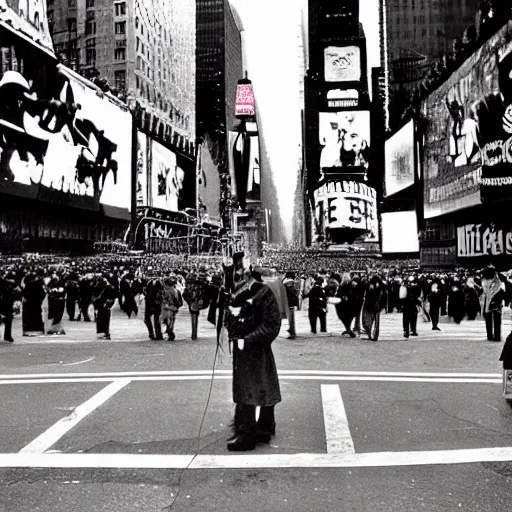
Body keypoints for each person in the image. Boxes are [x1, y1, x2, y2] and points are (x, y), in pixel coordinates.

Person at [225, 265, 282, 452]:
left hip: (255, 348)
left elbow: (271, 325)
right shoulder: (239, 293)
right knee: (258, 386)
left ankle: (247, 434)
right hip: (246, 348)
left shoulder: (262, 292)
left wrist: (247, 339)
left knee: (250, 388)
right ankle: (262, 426)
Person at [481, 265, 505, 342]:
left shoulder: (484, 281)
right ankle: (497, 336)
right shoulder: (498, 281)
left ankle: (489, 335)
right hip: (497, 302)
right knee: (497, 320)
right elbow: (502, 291)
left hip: (487, 302)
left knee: (488, 320)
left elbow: (483, 291)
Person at [92, 273, 117, 340]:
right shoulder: (108, 285)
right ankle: (105, 332)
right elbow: (113, 294)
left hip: (101, 304)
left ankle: (101, 333)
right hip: (105, 304)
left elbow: (95, 294)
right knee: (105, 319)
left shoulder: (99, 284)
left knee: (101, 318)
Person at [361, 274, 384, 341]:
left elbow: (366, 294)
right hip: (376, 305)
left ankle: (370, 333)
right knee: (376, 322)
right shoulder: (380, 286)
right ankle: (375, 335)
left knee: (368, 320)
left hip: (369, 305)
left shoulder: (369, 285)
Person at [160, 274, 183, 341]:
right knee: (171, 322)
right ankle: (170, 334)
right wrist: (176, 307)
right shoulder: (177, 291)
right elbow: (180, 303)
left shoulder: (163, 291)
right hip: (173, 310)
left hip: (164, 309)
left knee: (164, 322)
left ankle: (166, 334)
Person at [144, 276, 164, 341]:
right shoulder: (150, 283)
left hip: (154, 303)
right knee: (154, 319)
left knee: (154, 319)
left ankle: (154, 334)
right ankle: (156, 334)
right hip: (152, 303)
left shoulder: (158, 284)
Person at [282, 271, 299, 339]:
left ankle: (292, 332)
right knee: (291, 318)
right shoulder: (291, 282)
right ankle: (292, 331)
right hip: (291, 302)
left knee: (291, 318)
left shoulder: (288, 283)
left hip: (289, 302)